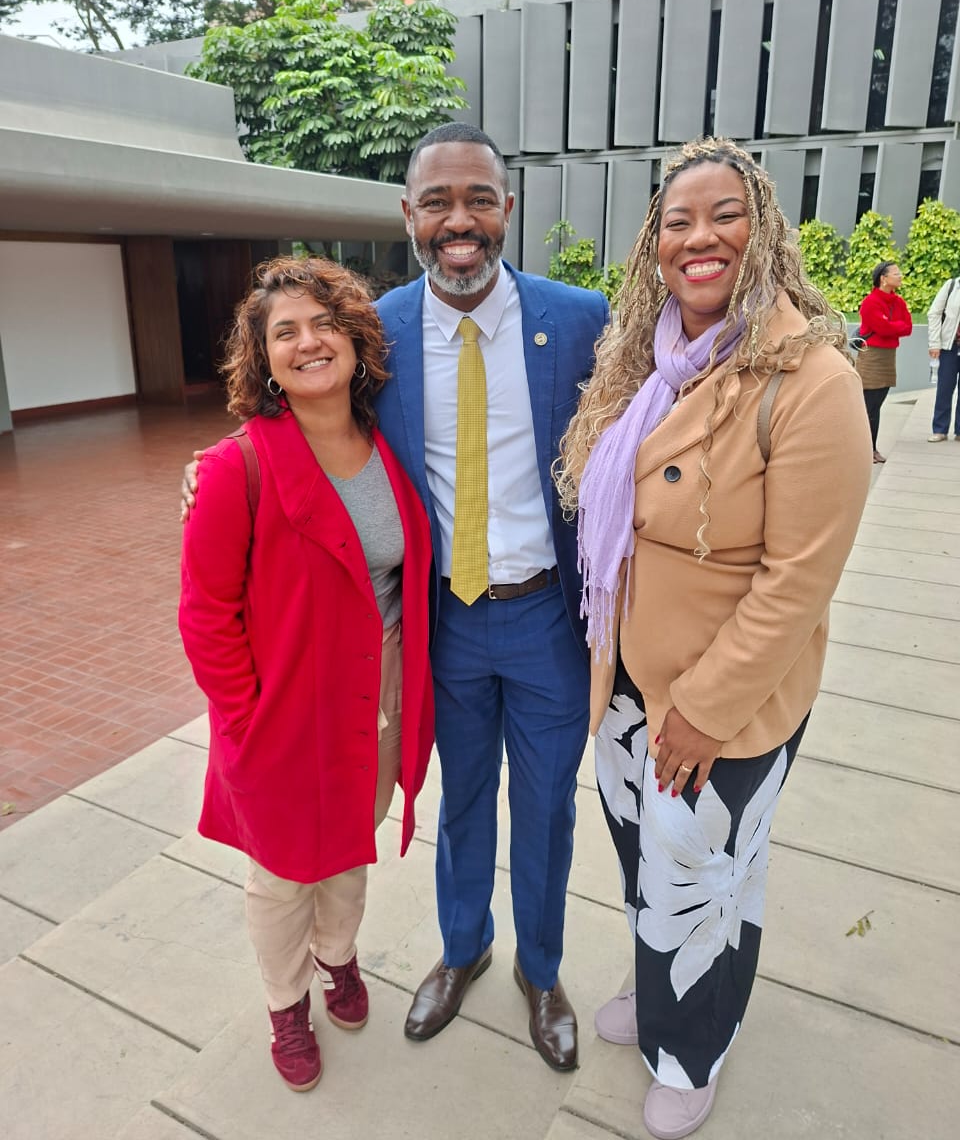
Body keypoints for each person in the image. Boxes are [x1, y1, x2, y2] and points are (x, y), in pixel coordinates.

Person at [182, 124, 609, 1071]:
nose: (461, 220)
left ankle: (542, 971)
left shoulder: (581, 318)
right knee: (460, 802)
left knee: (546, 807)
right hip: (442, 624)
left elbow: (641, 427)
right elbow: (294, 399)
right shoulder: (377, 330)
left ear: (509, 207)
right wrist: (205, 475)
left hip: (545, 617)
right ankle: (464, 951)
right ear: (407, 215)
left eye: (479, 199)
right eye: (438, 202)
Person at [556, 138, 872, 1139]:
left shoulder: (810, 378)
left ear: (762, 229)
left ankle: (695, 1044)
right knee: (649, 862)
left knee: (701, 875)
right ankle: (660, 997)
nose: (701, 235)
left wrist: (700, 710)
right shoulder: (647, 370)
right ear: (657, 246)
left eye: (724, 213)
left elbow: (797, 582)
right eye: (678, 220)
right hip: (628, 683)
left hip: (722, 700)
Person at [178, 256, 434, 1092]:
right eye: (285, 332)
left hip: (376, 690)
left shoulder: (389, 444)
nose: (308, 341)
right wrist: (246, 721)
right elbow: (206, 614)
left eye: (324, 323)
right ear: (265, 360)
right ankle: (287, 1003)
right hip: (281, 704)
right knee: (284, 871)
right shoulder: (235, 467)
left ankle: (340, 959)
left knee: (347, 848)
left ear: (355, 340)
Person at [854, 260, 912, 463]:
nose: (900, 276)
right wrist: (892, 326)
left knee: (877, 405)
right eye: (896, 273)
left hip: (888, 358)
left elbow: (908, 327)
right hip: (871, 357)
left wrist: (890, 325)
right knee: (868, 406)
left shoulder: (899, 302)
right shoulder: (871, 302)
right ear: (884, 278)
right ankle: (866, 450)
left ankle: (871, 449)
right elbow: (883, 329)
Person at [926, 274, 960, 442]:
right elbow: (934, 313)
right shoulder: (952, 285)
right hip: (950, 346)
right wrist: (934, 343)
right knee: (944, 388)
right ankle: (940, 429)